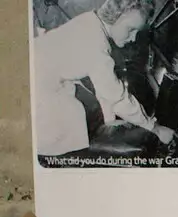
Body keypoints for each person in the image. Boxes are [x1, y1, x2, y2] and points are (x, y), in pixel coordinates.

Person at [32, 0, 170, 157]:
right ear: (117, 16)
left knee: (80, 111)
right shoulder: (95, 43)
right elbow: (115, 96)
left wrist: (109, 120)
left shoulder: (90, 22)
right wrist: (154, 128)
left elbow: (103, 88)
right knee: (71, 123)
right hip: (36, 88)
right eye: (131, 29)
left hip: (42, 77)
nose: (133, 38)